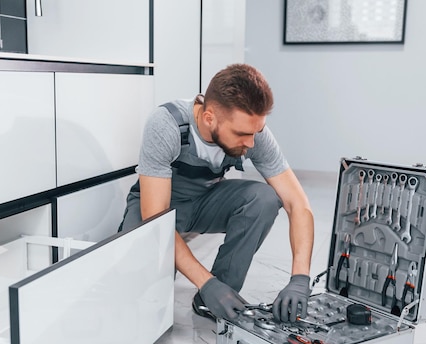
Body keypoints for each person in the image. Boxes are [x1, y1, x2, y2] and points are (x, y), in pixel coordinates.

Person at [119, 63, 314, 323]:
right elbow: (156, 220)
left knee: (264, 199)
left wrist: (300, 278)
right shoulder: (166, 125)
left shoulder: (252, 131)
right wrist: (204, 281)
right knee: (136, 298)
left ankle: (219, 294)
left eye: (256, 132)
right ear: (209, 117)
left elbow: (297, 203)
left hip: (204, 203)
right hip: (155, 209)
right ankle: (209, 288)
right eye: (243, 134)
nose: (251, 143)